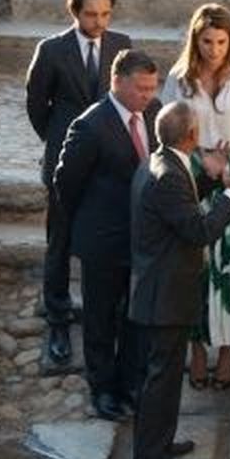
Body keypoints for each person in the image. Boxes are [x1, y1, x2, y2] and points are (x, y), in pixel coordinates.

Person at [128, 101, 230, 459]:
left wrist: (212, 178)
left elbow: (181, 207)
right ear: (193, 135)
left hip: (162, 290)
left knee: (165, 380)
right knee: (160, 381)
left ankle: (160, 443)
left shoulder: (160, 161)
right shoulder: (169, 175)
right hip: (164, 295)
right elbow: (199, 231)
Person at [25, 0, 133, 370]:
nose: (98, 22)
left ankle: (107, 315)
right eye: (91, 14)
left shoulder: (122, 44)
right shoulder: (51, 50)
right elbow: (36, 104)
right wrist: (58, 139)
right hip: (63, 160)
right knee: (60, 240)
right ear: (75, 12)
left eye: (105, 14)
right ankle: (58, 317)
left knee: (107, 239)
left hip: (109, 162)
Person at [160, 4, 230, 392]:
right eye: (207, 41)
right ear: (195, 39)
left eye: (222, 42)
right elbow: (166, 133)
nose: (214, 49)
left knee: (229, 267)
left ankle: (226, 349)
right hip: (192, 175)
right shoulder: (179, 78)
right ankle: (197, 348)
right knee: (196, 267)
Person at [52, 49, 160, 421]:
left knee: (134, 316)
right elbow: (66, 183)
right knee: (99, 318)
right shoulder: (91, 125)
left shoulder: (155, 113)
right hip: (103, 240)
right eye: (140, 88)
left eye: (152, 88)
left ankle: (131, 383)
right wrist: (89, 222)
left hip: (142, 239)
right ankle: (102, 389)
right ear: (117, 82)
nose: (147, 95)